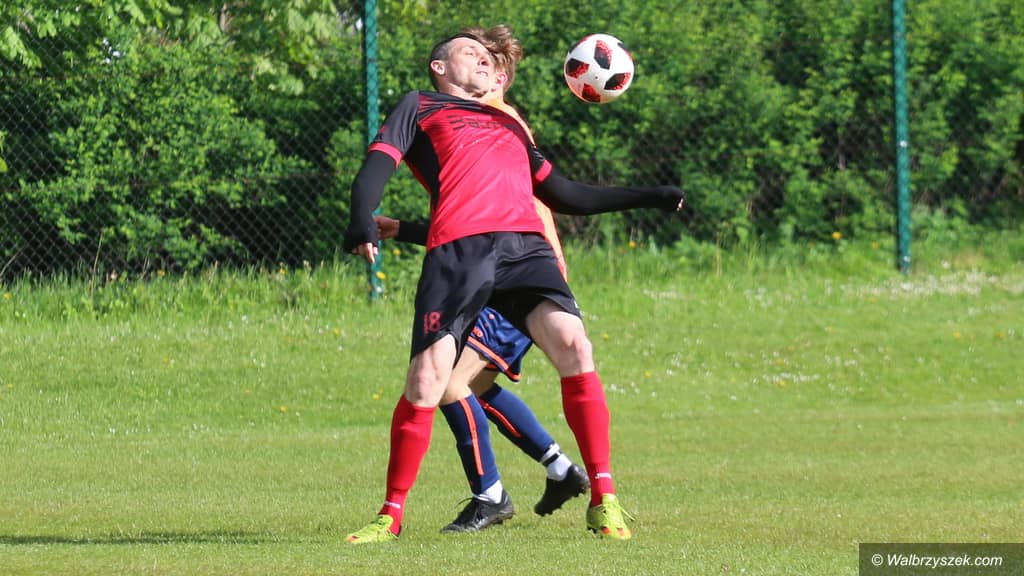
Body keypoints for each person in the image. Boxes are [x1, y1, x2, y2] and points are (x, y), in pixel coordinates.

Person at [343, 31, 683, 544]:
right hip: (460, 251)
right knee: (430, 379)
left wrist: (648, 196)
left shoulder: (508, 123)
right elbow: (377, 166)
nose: (483, 58)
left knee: (575, 344)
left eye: (487, 55)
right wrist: (361, 217)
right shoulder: (420, 106)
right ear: (439, 67)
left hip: (526, 249)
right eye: (469, 51)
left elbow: (564, 193)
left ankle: (604, 500)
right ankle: (390, 517)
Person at [374, 24, 590, 535]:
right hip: (488, 267)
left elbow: (509, 217)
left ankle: (491, 494)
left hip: (517, 275)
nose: (486, 69)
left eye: (491, 63)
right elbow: (470, 221)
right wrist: (404, 229)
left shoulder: (496, 119)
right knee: (474, 384)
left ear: (500, 79)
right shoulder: (462, 119)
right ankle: (559, 469)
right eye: (475, 57)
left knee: (451, 383)